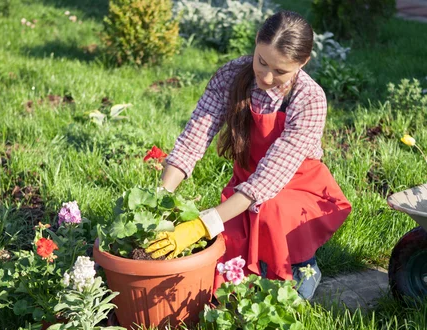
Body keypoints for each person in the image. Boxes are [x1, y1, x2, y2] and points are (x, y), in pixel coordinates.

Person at [146, 10, 351, 300]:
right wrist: (159, 198)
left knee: (271, 218)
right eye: (262, 62)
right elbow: (193, 139)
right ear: (256, 42)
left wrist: (201, 225)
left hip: (296, 190)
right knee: (220, 270)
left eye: (280, 71)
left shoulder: (309, 99)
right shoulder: (231, 77)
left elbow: (266, 182)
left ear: (303, 62)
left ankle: (303, 267)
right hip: (246, 185)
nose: (267, 77)